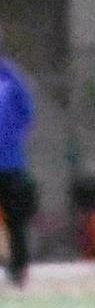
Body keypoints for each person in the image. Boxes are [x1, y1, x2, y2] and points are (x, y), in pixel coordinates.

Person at [0, 28, 37, 288]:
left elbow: (27, 114)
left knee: (16, 221)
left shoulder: (11, 77)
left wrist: (12, 140)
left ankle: (18, 269)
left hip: (10, 163)